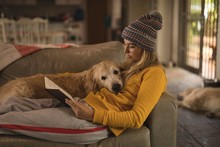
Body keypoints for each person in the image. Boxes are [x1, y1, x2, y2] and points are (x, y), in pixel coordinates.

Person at [66, 10, 167, 137]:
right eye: (125, 45)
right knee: (34, 104)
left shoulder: (155, 73)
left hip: (95, 120)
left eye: (131, 46)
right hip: (86, 105)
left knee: (32, 120)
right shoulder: (129, 67)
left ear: (145, 48)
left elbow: (136, 118)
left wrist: (91, 115)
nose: (125, 51)